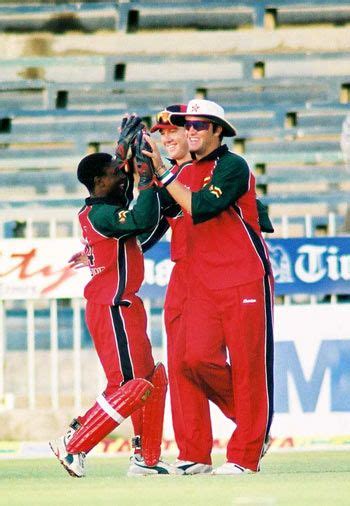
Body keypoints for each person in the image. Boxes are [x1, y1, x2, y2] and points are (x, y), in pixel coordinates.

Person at [144, 99, 274, 475]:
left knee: (250, 367)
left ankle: (245, 454)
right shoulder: (182, 172)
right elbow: (161, 218)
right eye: (189, 126)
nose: (191, 131)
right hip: (203, 281)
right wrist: (143, 178)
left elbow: (200, 207)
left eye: (200, 125)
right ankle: (250, 425)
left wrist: (164, 174)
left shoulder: (233, 165)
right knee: (192, 359)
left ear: (219, 129)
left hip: (244, 276)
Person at [49, 117, 180, 477]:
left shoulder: (104, 205)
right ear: (97, 182)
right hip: (110, 307)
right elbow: (142, 217)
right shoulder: (102, 214)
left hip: (126, 305)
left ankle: (146, 460)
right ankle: (73, 445)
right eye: (114, 172)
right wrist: (147, 179)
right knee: (128, 386)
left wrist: (124, 153)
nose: (121, 175)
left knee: (152, 380)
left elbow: (129, 198)